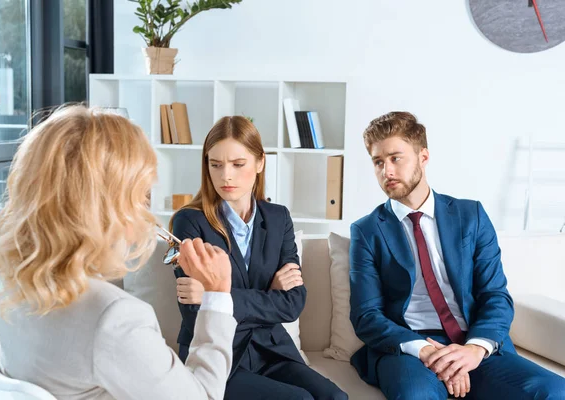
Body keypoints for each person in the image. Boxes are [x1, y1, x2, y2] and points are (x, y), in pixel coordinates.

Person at [0, 105, 237, 400]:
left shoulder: (15, 290)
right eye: (140, 196)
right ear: (108, 208)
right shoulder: (114, 319)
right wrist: (218, 295)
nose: (145, 214)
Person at [349, 111, 565, 399]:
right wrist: (424, 350)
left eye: (395, 158)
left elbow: (495, 295)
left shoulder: (470, 215)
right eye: (378, 162)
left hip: (471, 340)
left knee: (554, 390)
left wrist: (475, 349)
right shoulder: (367, 231)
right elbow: (367, 315)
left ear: (423, 157)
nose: (386, 171)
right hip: (410, 348)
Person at [170, 116, 347, 400]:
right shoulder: (189, 222)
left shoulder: (278, 218)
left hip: (272, 350)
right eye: (215, 164)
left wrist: (217, 295)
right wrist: (269, 294)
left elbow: (292, 303)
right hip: (218, 357)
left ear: (260, 163)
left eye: (238, 164)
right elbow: (194, 312)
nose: (225, 175)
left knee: (336, 397)